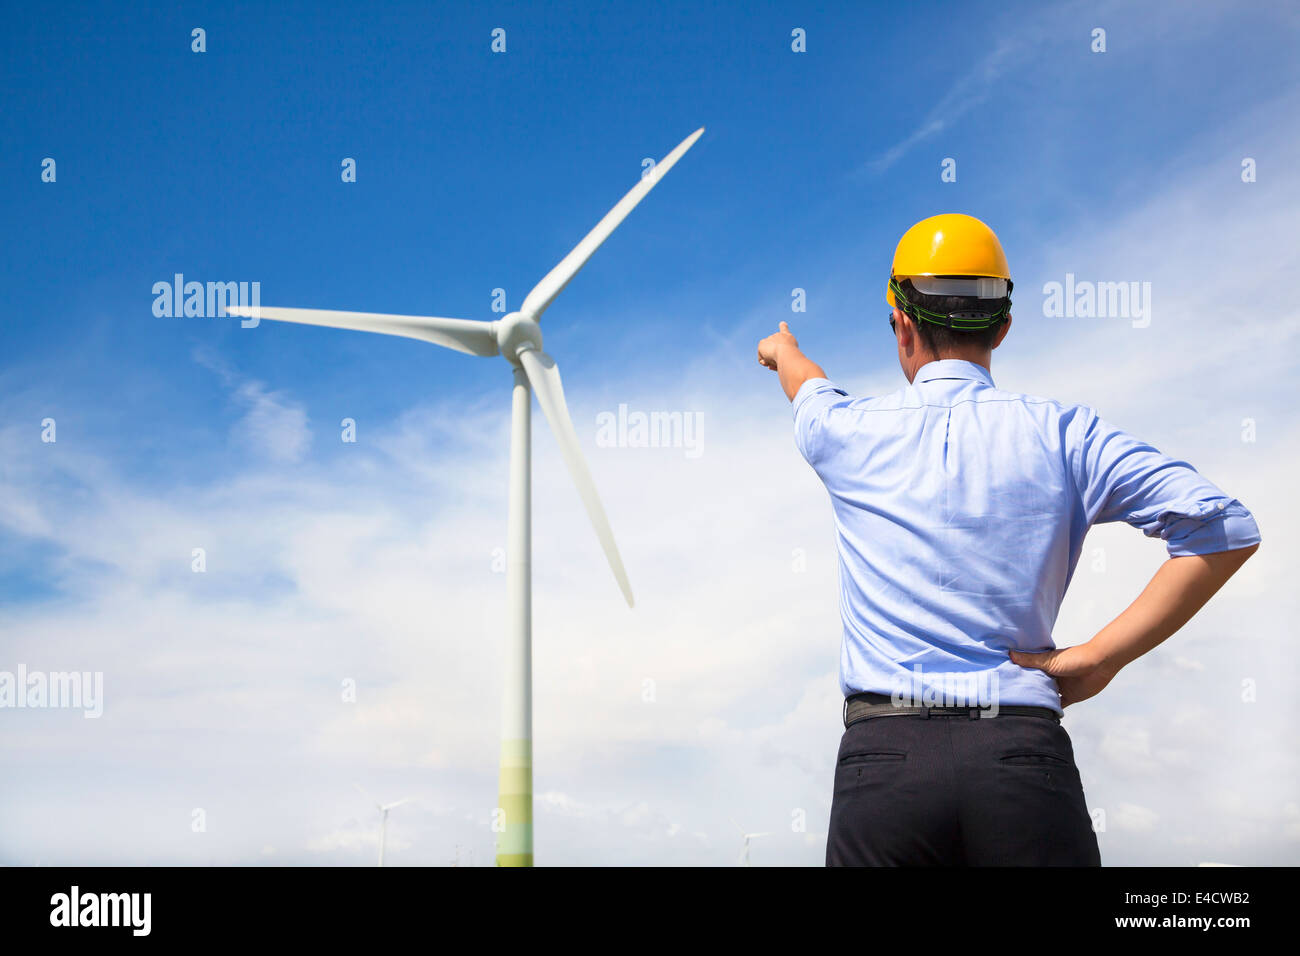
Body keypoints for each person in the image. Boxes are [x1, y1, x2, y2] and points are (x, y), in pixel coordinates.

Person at [756, 213, 1261, 866]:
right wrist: (1103, 656)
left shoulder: (845, 431)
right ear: (1003, 327)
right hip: (1022, 761)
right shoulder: (1067, 435)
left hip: (885, 771)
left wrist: (780, 349)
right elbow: (1224, 528)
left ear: (901, 324)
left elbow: (806, 381)